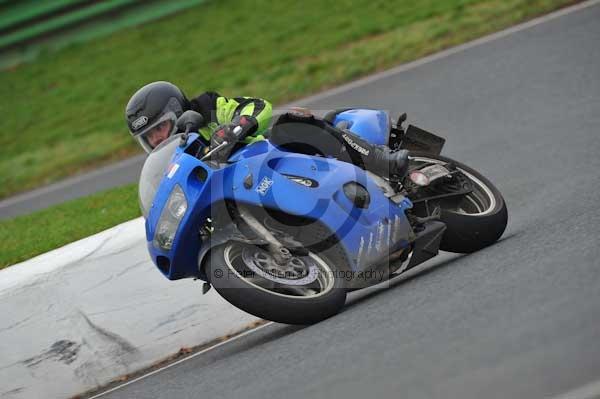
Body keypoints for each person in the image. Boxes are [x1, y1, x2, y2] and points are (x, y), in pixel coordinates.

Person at [125, 81, 408, 179]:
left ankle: (381, 161)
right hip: (243, 186)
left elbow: (257, 106)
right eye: (149, 137)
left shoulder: (207, 107)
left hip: (269, 155)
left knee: (291, 124)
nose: (158, 139)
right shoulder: (171, 164)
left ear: (176, 111)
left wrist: (237, 127)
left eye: (160, 128)